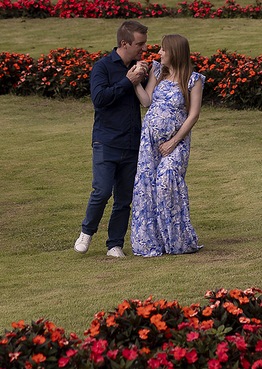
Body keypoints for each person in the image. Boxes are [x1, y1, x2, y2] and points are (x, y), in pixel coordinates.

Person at [75, 19, 149, 258]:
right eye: (140, 44)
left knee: (124, 198)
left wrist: (145, 77)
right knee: (102, 190)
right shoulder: (103, 67)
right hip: (106, 140)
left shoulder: (141, 67)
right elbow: (99, 99)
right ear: (124, 43)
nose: (143, 49)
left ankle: (114, 244)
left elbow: (148, 99)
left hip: (132, 141)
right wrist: (127, 81)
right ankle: (87, 232)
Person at [130, 33, 205, 257]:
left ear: (175, 52)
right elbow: (147, 101)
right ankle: (153, 242)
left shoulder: (194, 80)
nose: (159, 53)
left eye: (163, 49)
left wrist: (173, 142)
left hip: (176, 143)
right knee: (148, 188)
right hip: (150, 141)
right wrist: (135, 84)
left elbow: (193, 115)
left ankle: (178, 240)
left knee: (166, 181)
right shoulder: (158, 72)